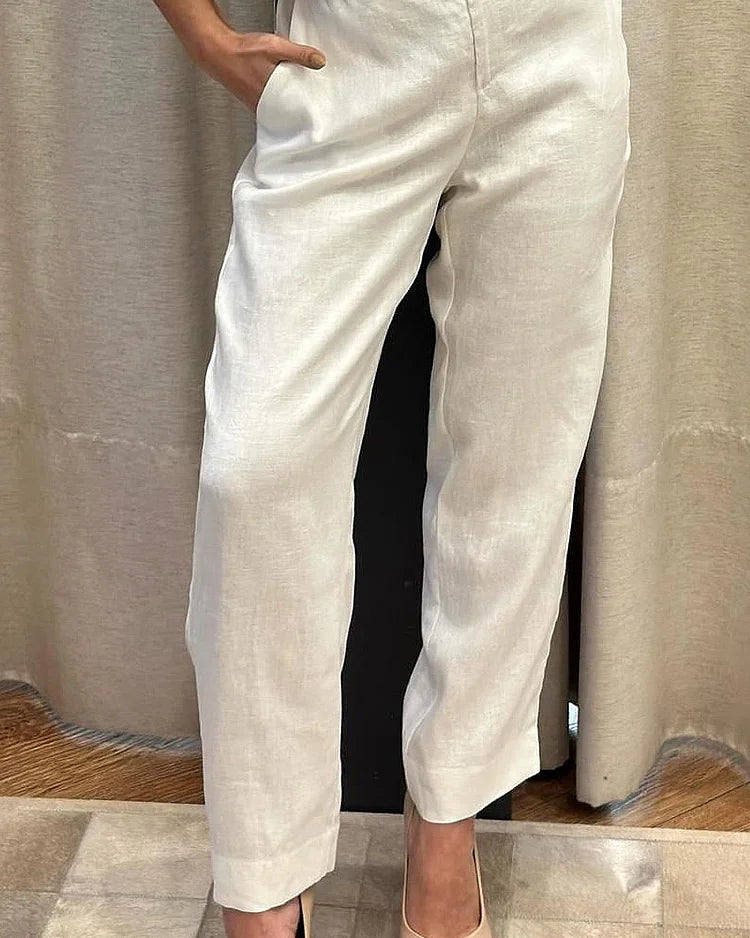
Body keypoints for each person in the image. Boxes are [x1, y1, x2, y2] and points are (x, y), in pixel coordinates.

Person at [151, 0, 632, 936]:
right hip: (353, 57)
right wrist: (200, 31)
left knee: (516, 465)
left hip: (559, 49)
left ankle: (445, 826)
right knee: (256, 470)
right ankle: (264, 881)